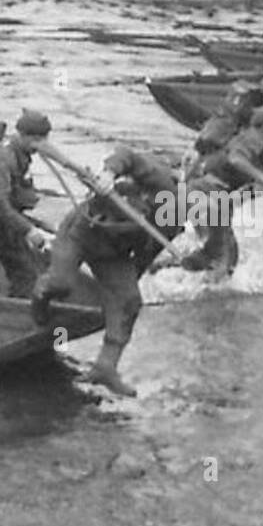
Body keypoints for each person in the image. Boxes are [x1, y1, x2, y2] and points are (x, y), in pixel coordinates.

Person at [30, 145, 181, 396]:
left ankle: (106, 367)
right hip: (81, 232)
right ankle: (40, 295)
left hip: (113, 251)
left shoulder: (174, 218)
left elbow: (144, 255)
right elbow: (125, 155)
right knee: (61, 283)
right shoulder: (160, 180)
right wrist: (109, 174)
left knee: (130, 303)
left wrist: (124, 290)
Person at [180, 108, 263, 274]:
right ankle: (190, 265)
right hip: (204, 193)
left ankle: (195, 275)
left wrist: (261, 191)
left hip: (214, 197)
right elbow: (235, 159)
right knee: (220, 254)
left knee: (229, 259)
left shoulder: (259, 148)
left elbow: (237, 194)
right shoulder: (253, 139)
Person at [0, 108, 54, 297]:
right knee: (0, 272)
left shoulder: (20, 157)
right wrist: (27, 229)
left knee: (26, 274)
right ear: (22, 136)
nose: (41, 145)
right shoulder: (4, 160)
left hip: (5, 223)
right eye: (36, 140)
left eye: (44, 139)